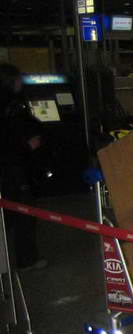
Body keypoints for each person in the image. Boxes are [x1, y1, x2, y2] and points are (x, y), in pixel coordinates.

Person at [0, 63, 46, 271]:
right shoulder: (11, 106)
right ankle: (27, 259)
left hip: (11, 166)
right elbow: (10, 138)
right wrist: (27, 146)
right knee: (23, 211)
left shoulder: (12, 104)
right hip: (14, 168)